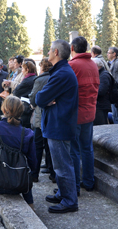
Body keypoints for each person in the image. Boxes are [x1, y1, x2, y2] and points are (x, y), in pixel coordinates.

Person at [36, 39, 79, 214]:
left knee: (62, 165)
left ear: (56, 53)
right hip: (58, 123)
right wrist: (47, 100)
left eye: (49, 51)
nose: (47, 53)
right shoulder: (61, 71)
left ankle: (69, 200)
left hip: (59, 124)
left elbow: (39, 98)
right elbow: (44, 98)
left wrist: (46, 100)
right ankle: (63, 193)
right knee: (60, 163)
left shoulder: (62, 74)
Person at [68, 36, 99, 194]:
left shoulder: (72, 65)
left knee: (73, 151)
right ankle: (89, 181)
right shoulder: (93, 65)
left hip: (75, 114)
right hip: (90, 112)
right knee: (87, 148)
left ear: (72, 48)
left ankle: (74, 185)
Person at [29, 58, 55, 183]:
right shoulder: (55, 77)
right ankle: (53, 173)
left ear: (43, 68)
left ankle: (34, 174)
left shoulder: (40, 80)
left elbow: (33, 97)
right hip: (53, 117)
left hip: (41, 115)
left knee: (37, 145)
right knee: (50, 145)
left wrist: (32, 104)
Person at [13, 61, 37, 128]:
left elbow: (16, 92)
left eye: (23, 69)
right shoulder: (34, 77)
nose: (22, 71)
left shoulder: (27, 80)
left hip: (26, 108)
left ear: (27, 70)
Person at [92, 58, 111, 125]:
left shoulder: (104, 75)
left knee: (102, 124)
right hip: (100, 105)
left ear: (96, 65)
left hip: (102, 105)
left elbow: (101, 91)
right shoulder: (101, 74)